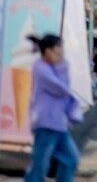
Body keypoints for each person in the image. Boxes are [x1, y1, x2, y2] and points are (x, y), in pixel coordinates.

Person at [23, 34, 82, 182]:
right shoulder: (40, 68)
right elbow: (60, 88)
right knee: (40, 166)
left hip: (58, 124)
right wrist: (62, 65)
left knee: (71, 159)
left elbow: (64, 85)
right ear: (47, 51)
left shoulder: (55, 66)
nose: (61, 53)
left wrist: (62, 65)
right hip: (45, 123)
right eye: (58, 49)